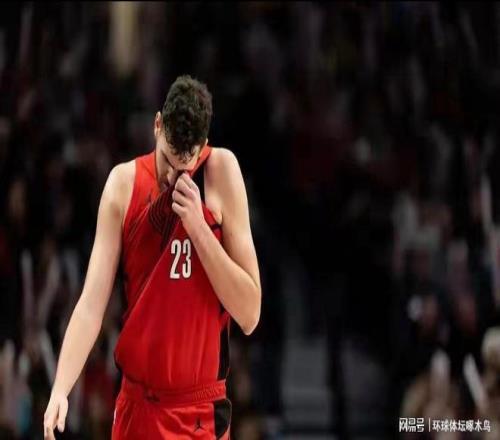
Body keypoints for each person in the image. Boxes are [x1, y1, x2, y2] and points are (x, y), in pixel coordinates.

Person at [43, 75, 262, 439]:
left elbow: (250, 314)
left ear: (203, 146)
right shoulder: (122, 184)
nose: (173, 177)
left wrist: (199, 229)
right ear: (157, 125)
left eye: (184, 168)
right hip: (139, 406)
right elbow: (91, 304)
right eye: (167, 161)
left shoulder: (222, 172)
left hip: (199, 412)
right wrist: (61, 387)